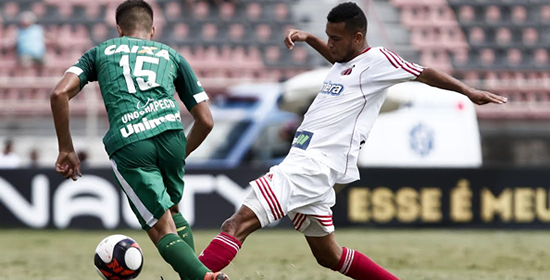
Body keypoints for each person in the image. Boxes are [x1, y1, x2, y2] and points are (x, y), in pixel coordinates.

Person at [198, 2, 507, 280]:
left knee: (235, 225)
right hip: (309, 166)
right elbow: (339, 60)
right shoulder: (344, 65)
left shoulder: (379, 60)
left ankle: (195, 275)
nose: (331, 44)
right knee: (328, 256)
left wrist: (468, 92)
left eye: (336, 39)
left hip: (312, 167)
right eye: (328, 37)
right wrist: (309, 38)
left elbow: (424, 73)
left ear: (358, 38)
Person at [50, 1, 228, 280]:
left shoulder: (100, 52)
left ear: (119, 29)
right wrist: (181, 152)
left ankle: (206, 278)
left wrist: (66, 149)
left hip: (131, 142)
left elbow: (59, 93)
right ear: (153, 30)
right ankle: (192, 275)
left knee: (160, 229)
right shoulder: (172, 55)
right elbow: (206, 120)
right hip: (171, 134)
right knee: (172, 209)